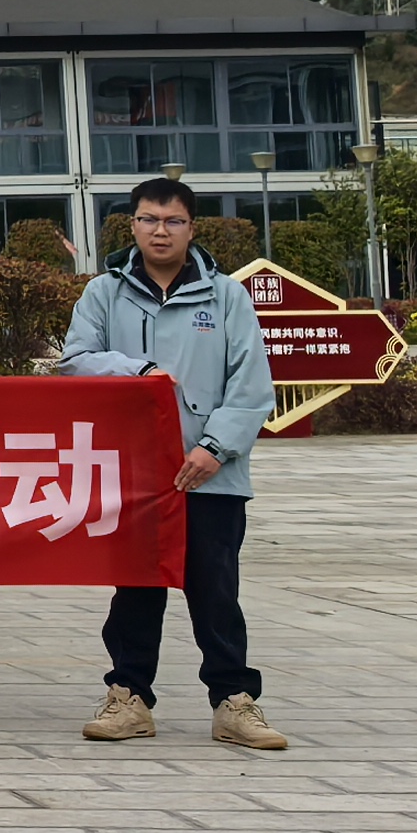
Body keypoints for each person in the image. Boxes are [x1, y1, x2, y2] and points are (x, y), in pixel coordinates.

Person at [66, 177, 291, 752]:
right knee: (136, 590)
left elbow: (252, 386)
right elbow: (77, 362)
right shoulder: (105, 293)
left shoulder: (226, 297)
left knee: (215, 591)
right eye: (148, 220)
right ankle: (128, 697)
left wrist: (214, 448)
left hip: (211, 476)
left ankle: (234, 703)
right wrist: (136, 372)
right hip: (135, 474)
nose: (159, 231)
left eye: (172, 221)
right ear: (132, 225)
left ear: (192, 228)